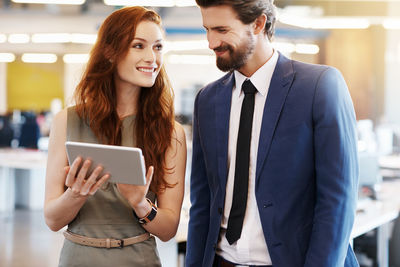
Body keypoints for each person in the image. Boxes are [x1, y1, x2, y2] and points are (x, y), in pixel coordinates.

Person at [186, 1, 359, 267]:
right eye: (207, 29)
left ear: (258, 23)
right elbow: (203, 202)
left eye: (221, 30)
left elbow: (337, 202)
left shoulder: (318, 87)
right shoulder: (208, 100)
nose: (211, 42)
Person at [44, 6, 186, 267]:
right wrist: (76, 195)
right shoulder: (66, 121)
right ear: (110, 52)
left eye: (157, 47)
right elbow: (52, 220)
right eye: (138, 46)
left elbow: (168, 230)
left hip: (138, 258)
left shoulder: (170, 132)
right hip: (78, 258)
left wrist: (140, 203)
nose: (152, 58)